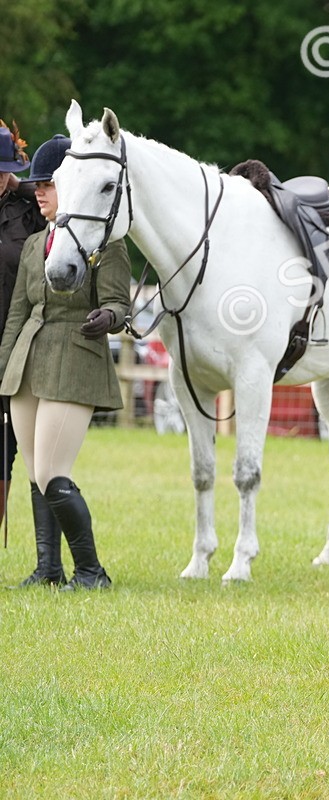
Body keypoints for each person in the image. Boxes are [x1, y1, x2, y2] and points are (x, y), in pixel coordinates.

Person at [0, 134, 131, 590]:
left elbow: (120, 304)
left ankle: (92, 572)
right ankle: (48, 569)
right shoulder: (37, 244)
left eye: (48, 184)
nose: (38, 192)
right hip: (27, 364)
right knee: (37, 472)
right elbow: (19, 310)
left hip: (74, 360)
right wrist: (3, 371)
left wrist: (109, 316)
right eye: (36, 183)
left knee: (51, 471)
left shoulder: (105, 243)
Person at [0, 120, 45, 546]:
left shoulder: (29, 209)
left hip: (19, 348)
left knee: (26, 452)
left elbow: (60, 207)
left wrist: (24, 186)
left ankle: (47, 561)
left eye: (2, 170)